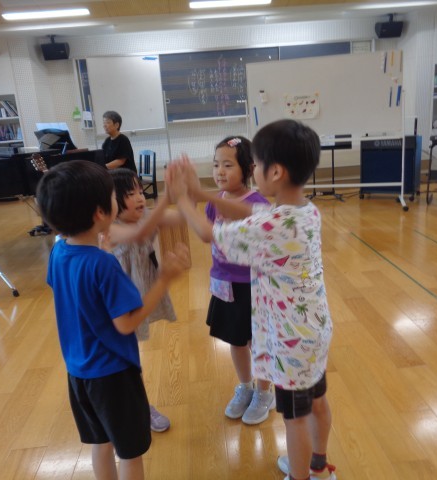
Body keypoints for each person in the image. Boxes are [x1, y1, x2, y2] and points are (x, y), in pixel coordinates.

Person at [166, 119, 336, 480]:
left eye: (255, 164)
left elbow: (207, 233)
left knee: (295, 419)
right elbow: (252, 211)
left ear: (275, 172)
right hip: (314, 331)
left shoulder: (269, 227)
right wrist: (203, 194)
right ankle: (319, 465)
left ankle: (301, 476)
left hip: (290, 343)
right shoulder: (304, 212)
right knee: (317, 400)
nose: (252, 169)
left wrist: (182, 197)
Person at [37, 160, 190, 480]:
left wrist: (102, 250)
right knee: (131, 453)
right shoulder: (103, 264)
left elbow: (71, 291)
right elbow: (126, 323)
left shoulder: (58, 252)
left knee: (101, 443)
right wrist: (164, 278)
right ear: (99, 213)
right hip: (113, 375)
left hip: (79, 372)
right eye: (112, 196)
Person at [187, 136, 274, 424]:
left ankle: (265, 392)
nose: (219, 171)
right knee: (236, 342)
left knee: (257, 342)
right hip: (224, 284)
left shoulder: (257, 204)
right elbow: (208, 234)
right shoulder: (216, 202)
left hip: (253, 286)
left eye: (227, 165)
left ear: (248, 169)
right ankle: (246, 387)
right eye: (216, 165)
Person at [104, 168, 184, 432]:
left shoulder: (148, 215)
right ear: (112, 202)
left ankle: (138, 404)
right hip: (118, 303)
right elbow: (139, 234)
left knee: (130, 354)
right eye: (130, 193)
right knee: (125, 356)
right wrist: (166, 198)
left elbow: (179, 216)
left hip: (141, 295)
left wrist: (187, 194)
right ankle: (139, 406)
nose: (140, 197)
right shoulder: (111, 229)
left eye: (140, 191)